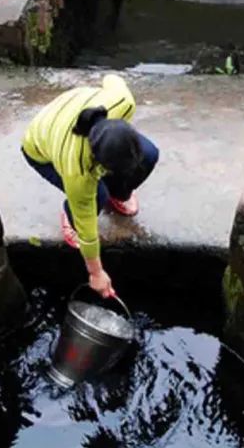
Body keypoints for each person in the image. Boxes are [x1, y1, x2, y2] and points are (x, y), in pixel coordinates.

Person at [21, 73, 159, 299]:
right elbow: (88, 234)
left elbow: (112, 77)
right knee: (96, 196)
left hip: (79, 108)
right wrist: (96, 273)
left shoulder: (123, 103)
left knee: (150, 155)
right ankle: (69, 213)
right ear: (95, 158)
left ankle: (119, 193)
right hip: (40, 147)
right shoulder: (76, 167)